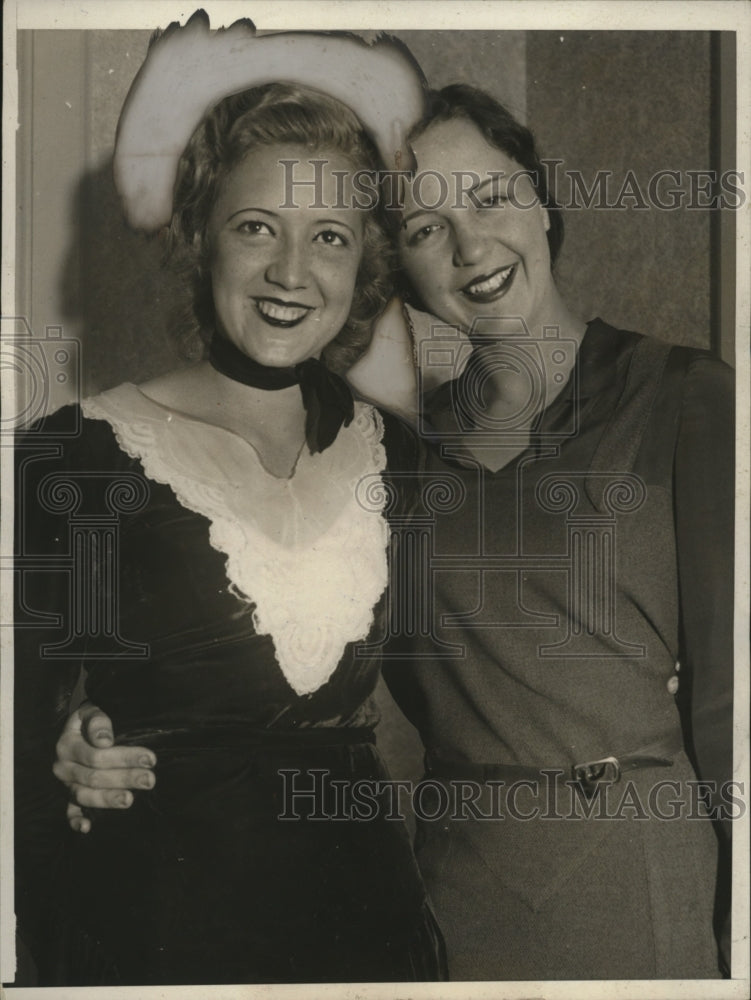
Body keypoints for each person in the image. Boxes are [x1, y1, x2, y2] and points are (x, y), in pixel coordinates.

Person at [50, 82, 735, 981]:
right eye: (423, 229)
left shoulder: (687, 397)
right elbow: (307, 664)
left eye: (491, 199)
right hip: (444, 888)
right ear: (397, 269)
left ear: (540, 196)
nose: (470, 248)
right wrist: (80, 724)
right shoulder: (399, 454)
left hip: (632, 885)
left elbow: (733, 706)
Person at [13, 19, 446, 986]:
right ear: (201, 233)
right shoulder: (76, 456)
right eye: (259, 228)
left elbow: (473, 688)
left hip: (368, 934)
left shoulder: (400, 462)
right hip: (154, 935)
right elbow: (19, 731)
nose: (293, 273)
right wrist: (61, 754)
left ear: (362, 263)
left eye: (328, 237)